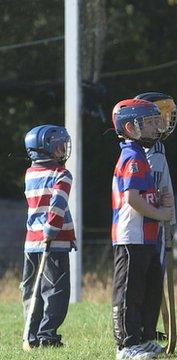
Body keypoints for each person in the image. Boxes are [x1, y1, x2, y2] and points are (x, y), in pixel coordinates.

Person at [110, 99, 174, 360]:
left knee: (149, 289)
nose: (153, 127)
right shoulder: (132, 156)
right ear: (129, 127)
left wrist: (159, 198)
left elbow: (144, 194)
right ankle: (126, 344)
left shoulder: (143, 156)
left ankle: (145, 337)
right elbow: (132, 200)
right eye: (147, 123)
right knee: (129, 291)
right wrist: (160, 213)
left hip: (148, 236)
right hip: (131, 236)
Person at [21, 125, 74, 350]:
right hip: (54, 241)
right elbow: (57, 205)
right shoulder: (61, 174)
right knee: (56, 289)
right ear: (47, 148)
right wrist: (51, 230)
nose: (64, 149)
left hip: (31, 241)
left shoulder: (30, 173)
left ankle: (31, 333)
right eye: (60, 145)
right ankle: (48, 334)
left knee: (31, 288)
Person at [134, 92, 177, 339]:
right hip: (144, 223)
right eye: (161, 115)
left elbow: (166, 186)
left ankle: (150, 329)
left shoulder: (158, 146)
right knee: (142, 278)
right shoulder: (139, 151)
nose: (165, 121)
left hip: (161, 219)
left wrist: (170, 219)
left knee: (155, 277)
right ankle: (140, 329)